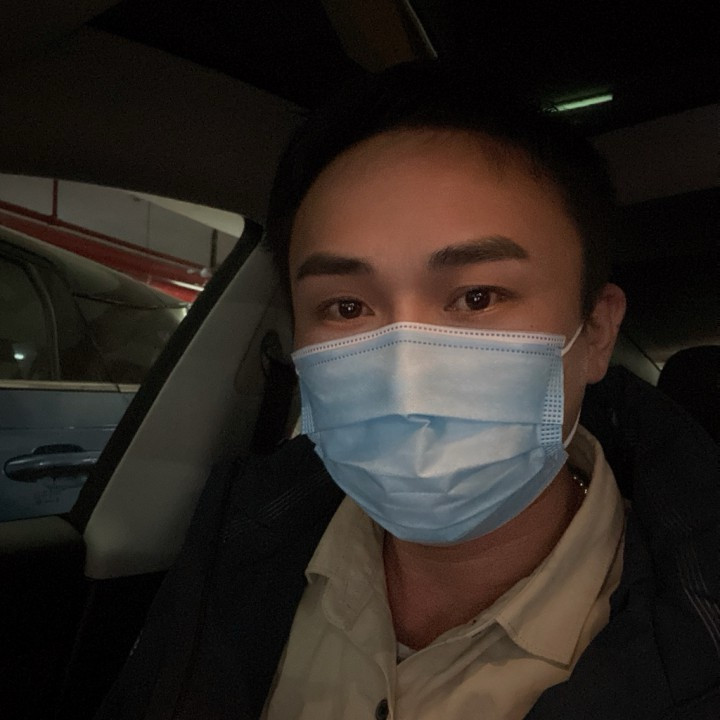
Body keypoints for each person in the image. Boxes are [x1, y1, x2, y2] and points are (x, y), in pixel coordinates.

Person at [96, 63, 720, 719]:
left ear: (595, 331)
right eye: (345, 307)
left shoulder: (696, 632)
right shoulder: (238, 533)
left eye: (477, 297)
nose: (407, 375)